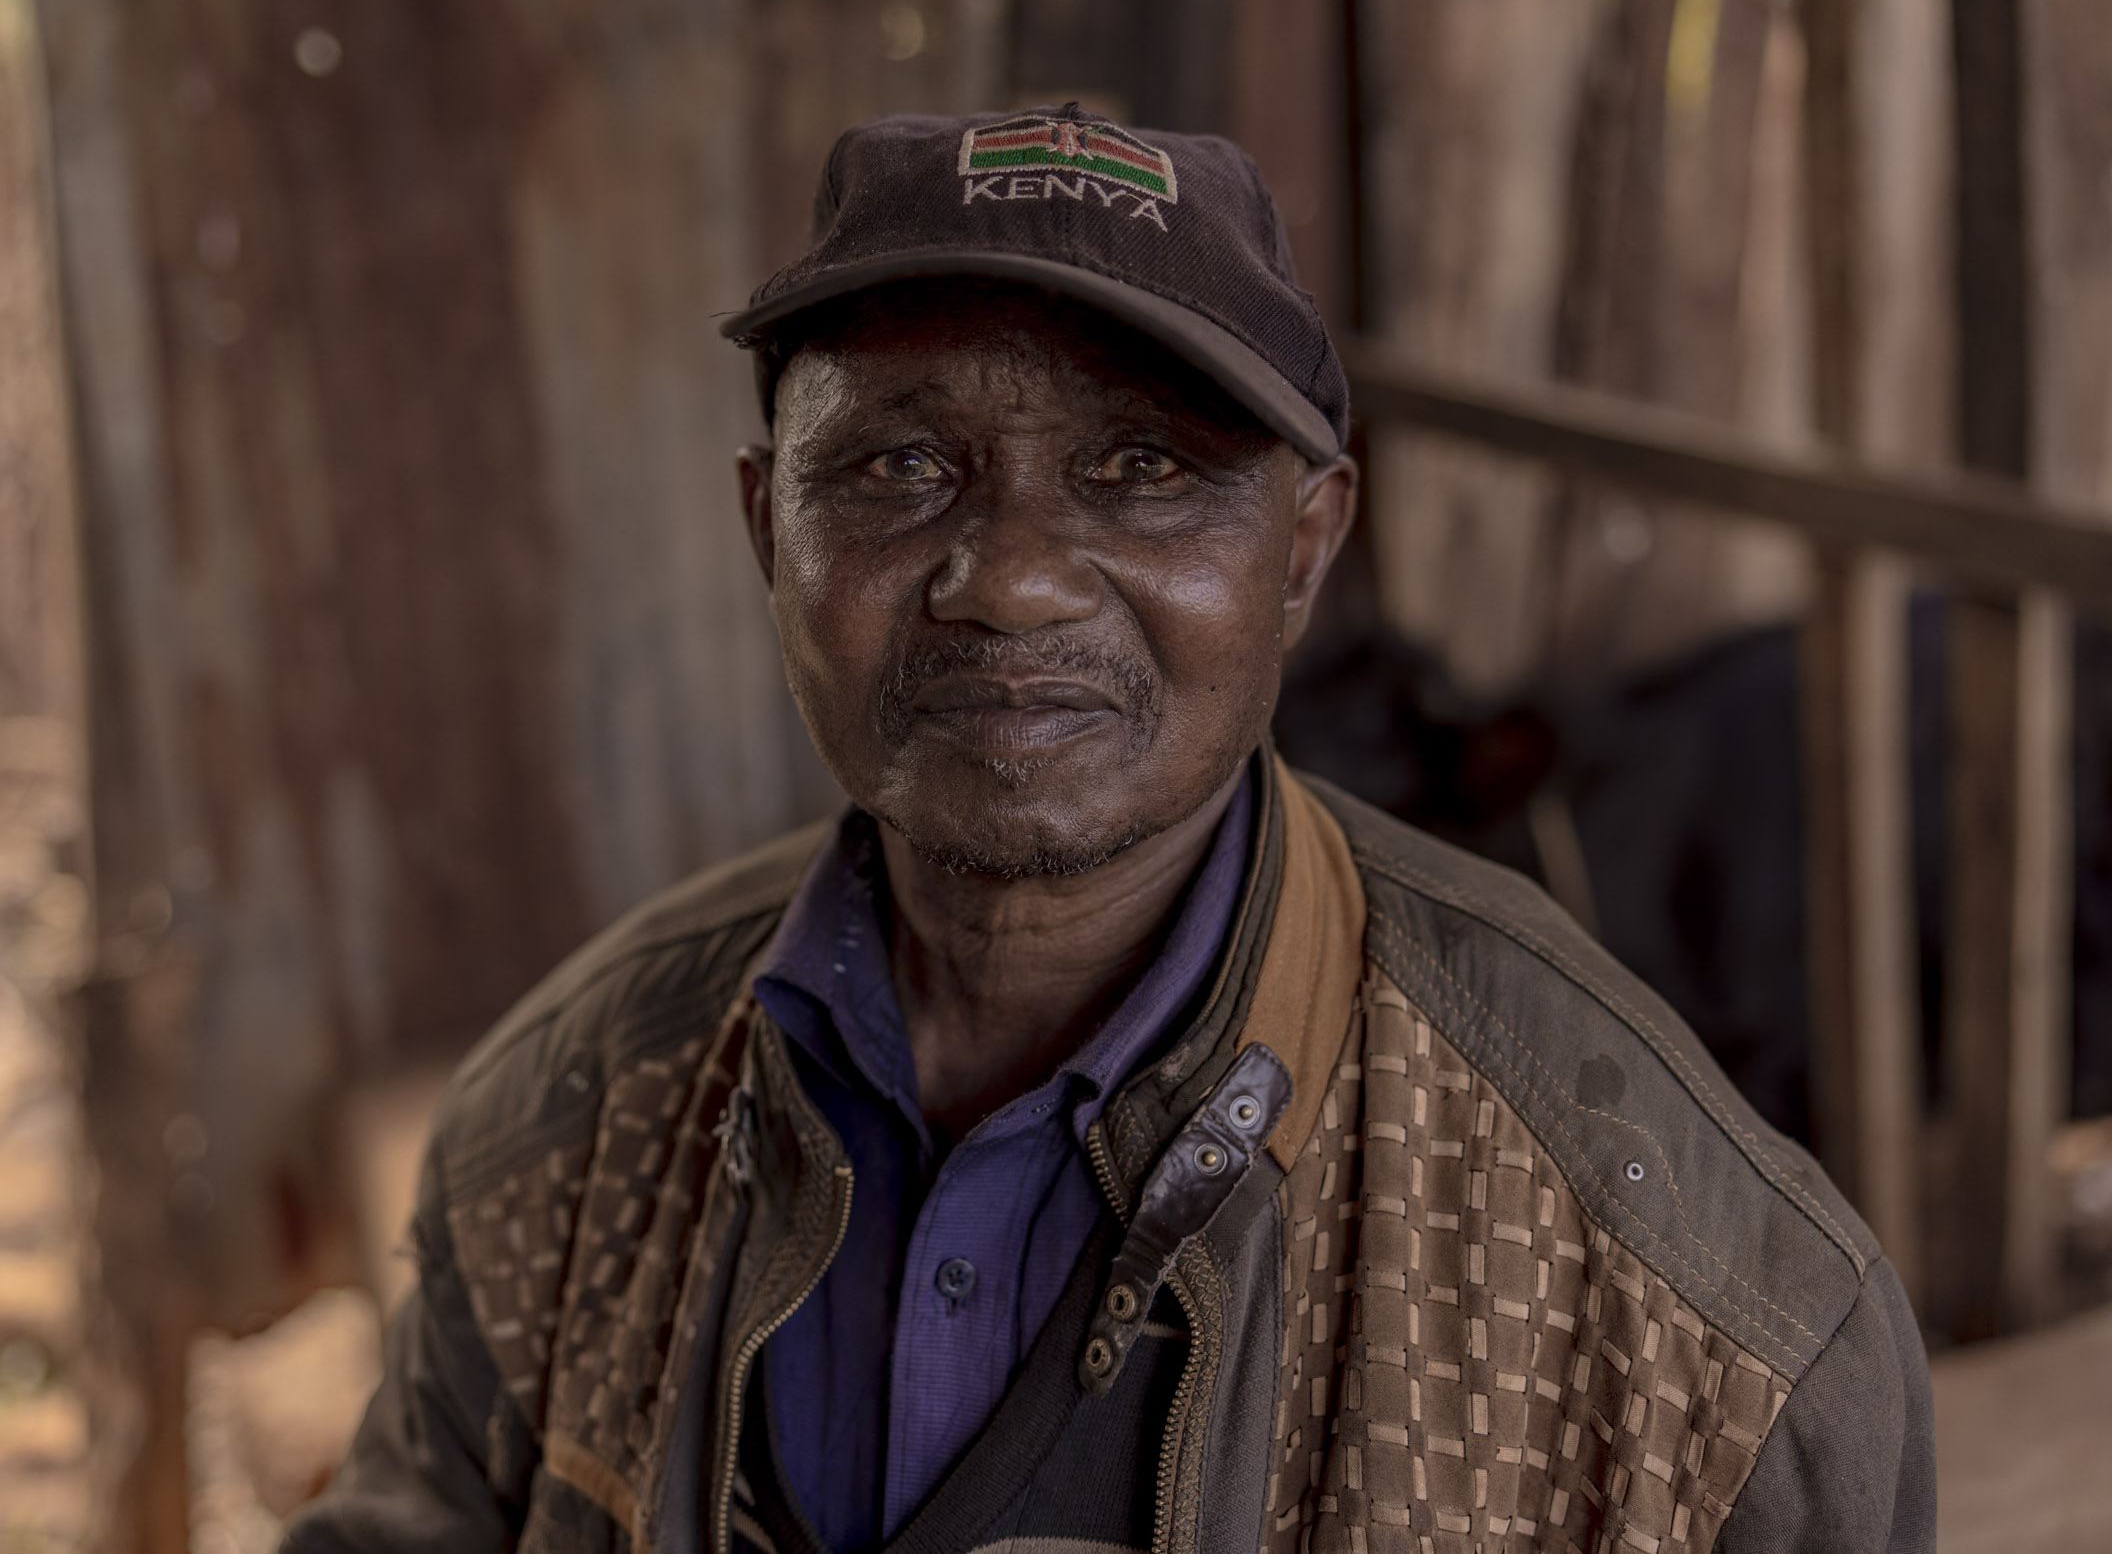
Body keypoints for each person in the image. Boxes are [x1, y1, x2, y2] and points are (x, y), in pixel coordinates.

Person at [285, 107, 1932, 1554]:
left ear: (1304, 548)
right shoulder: (560, 1135)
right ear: (763, 527)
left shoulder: (1700, 1328)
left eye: (1142, 466)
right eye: (901, 465)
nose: (1008, 578)